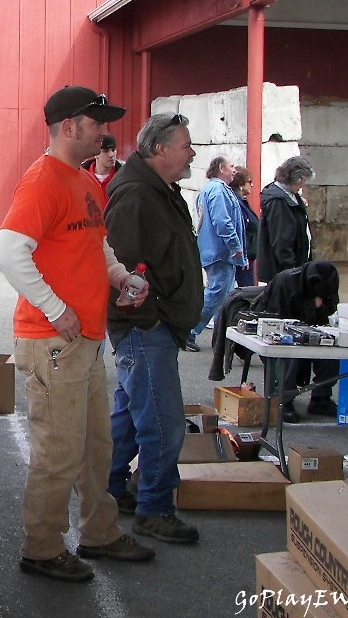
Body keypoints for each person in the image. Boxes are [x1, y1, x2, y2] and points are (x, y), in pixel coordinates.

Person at [0, 85, 155, 583]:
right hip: (56, 341)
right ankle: (41, 547)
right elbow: (7, 251)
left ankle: (99, 533)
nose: (106, 132)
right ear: (69, 127)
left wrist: (120, 275)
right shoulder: (43, 181)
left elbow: (96, 246)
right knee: (58, 452)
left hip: (82, 339)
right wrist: (55, 308)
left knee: (94, 448)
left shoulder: (84, 183)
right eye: (97, 123)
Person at [103, 112, 203, 545]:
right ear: (159, 149)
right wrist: (150, 320)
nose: (192, 152)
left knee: (128, 416)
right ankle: (155, 509)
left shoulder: (159, 191)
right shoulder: (137, 196)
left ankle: (109, 490)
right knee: (164, 422)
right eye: (185, 145)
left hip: (151, 328)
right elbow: (122, 269)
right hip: (145, 330)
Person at [252, 260, 341, 422]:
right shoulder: (284, 282)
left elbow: (330, 312)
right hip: (275, 332)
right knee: (288, 354)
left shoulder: (328, 285)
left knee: (332, 351)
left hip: (311, 330)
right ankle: (283, 401)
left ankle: (321, 398)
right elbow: (275, 321)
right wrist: (312, 307)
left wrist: (322, 307)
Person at [185, 156, 245, 352]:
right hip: (220, 251)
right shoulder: (218, 190)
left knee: (224, 296)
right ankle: (190, 331)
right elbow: (223, 222)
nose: (235, 170)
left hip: (216, 250)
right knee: (217, 294)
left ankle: (221, 338)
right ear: (221, 168)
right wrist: (235, 246)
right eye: (231, 166)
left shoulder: (213, 189)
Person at [257, 156, 315, 283]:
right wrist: (291, 270)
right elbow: (281, 240)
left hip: (296, 265)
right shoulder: (278, 201)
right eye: (303, 181)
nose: (303, 185)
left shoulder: (291, 195)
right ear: (297, 179)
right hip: (284, 271)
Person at [230, 166, 259, 287]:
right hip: (243, 257)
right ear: (241, 185)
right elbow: (240, 229)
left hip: (248, 256)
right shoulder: (237, 203)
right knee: (246, 290)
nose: (251, 185)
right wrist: (243, 255)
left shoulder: (242, 202)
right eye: (249, 182)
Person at [81, 133, 123, 202]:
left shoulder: (124, 177)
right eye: (105, 151)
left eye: (113, 150)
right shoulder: (81, 175)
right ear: (96, 154)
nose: (111, 155)